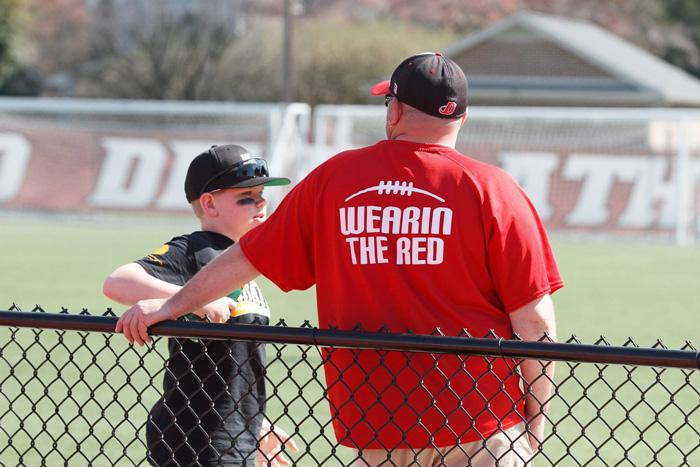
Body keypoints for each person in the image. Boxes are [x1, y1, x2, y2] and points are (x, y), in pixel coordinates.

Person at [117, 53, 562, 466]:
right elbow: (534, 319)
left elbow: (246, 257)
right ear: (462, 117)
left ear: (394, 111)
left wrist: (172, 305)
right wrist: (537, 411)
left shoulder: (335, 179)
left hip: (377, 422)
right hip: (480, 416)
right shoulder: (494, 189)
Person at [105, 144, 298, 467]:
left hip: (234, 432)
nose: (261, 203)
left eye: (262, 194)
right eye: (246, 197)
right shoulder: (196, 249)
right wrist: (189, 301)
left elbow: (237, 363)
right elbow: (118, 281)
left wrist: (253, 421)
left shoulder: (241, 262)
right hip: (196, 436)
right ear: (209, 203)